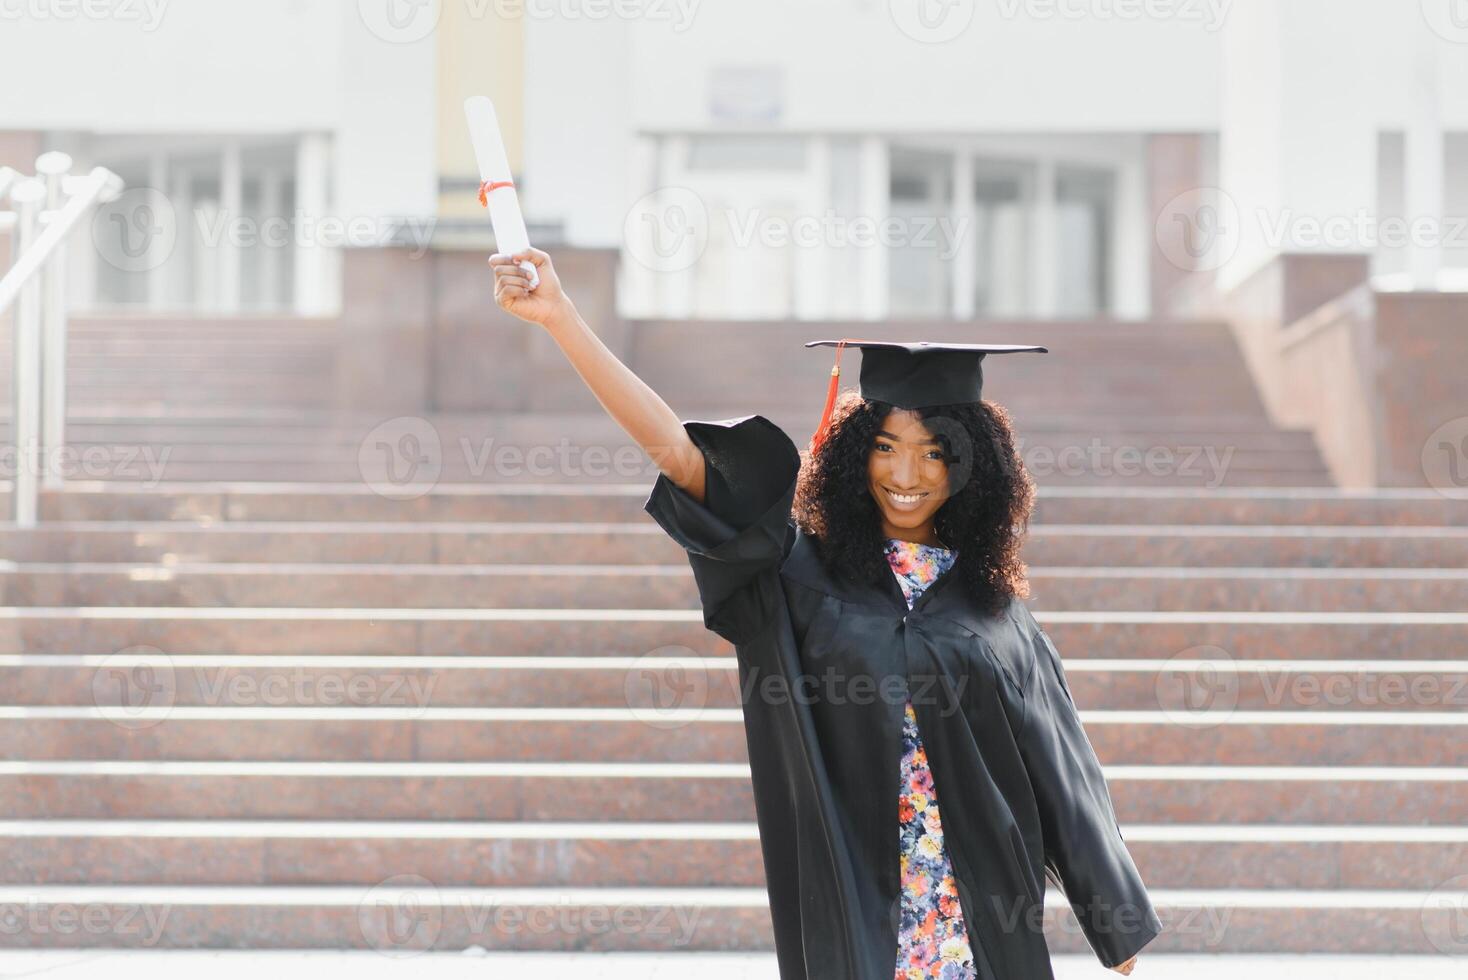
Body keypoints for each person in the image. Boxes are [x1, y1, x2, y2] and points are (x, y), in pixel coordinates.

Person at [489, 247, 1161, 980]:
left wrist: (1115, 932)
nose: (907, 476)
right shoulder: (796, 576)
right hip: (851, 925)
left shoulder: (996, 614)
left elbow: (1063, 773)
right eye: (885, 447)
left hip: (981, 934)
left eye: (936, 452)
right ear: (850, 453)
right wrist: (562, 318)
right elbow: (681, 457)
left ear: (975, 468)